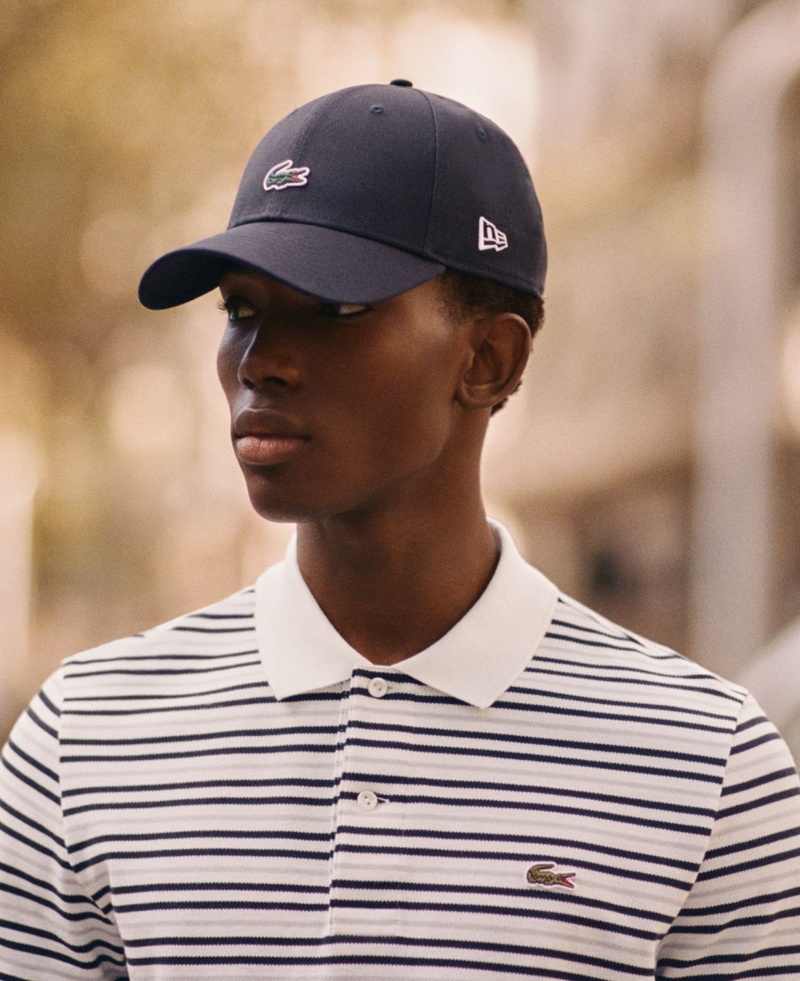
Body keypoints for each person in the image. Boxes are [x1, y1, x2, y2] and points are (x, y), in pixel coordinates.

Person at [1, 80, 799, 981]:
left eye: (334, 308)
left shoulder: (707, 764)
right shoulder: (86, 737)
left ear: (488, 359)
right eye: (240, 309)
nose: (262, 361)